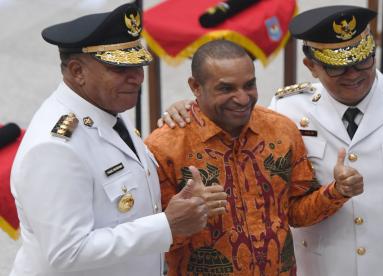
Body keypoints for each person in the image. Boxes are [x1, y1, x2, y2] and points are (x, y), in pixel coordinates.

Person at [157, 5, 383, 276]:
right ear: (311, 66)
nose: (353, 74)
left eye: (362, 62)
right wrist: (190, 108)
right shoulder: (290, 108)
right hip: (326, 262)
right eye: (337, 66)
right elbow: (234, 114)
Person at [9, 3, 227, 276]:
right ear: (78, 71)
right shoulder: (54, 147)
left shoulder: (103, 108)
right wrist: (167, 224)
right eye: (119, 69)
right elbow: (67, 252)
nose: (136, 78)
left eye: (138, 66)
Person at [145, 40, 364, 275]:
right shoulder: (164, 148)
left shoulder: (281, 131)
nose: (242, 98)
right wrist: (186, 216)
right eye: (226, 89)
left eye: (249, 85)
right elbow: (148, 243)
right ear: (195, 87)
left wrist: (337, 192)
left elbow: (296, 214)